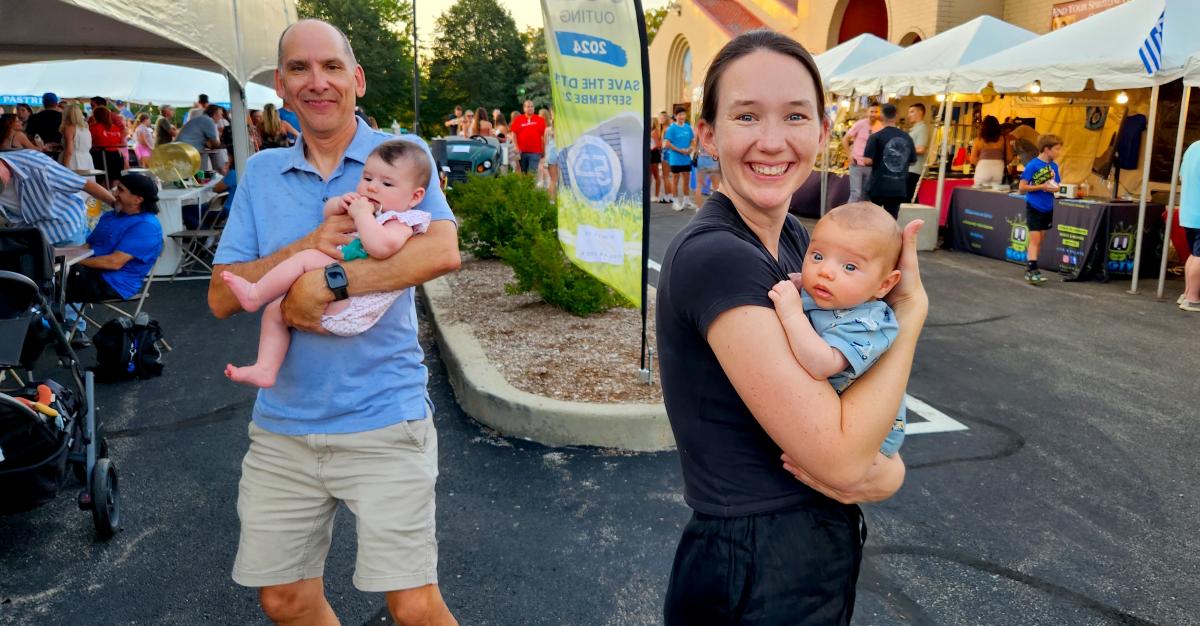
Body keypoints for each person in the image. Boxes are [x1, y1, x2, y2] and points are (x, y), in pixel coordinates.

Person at [656, 29, 924, 625]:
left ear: (824, 132)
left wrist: (888, 472)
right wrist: (908, 316)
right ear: (708, 134)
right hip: (755, 565)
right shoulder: (719, 257)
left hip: (797, 550)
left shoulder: (800, 244)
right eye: (747, 115)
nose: (772, 141)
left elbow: (860, 431)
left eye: (795, 116)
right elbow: (841, 459)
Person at [208, 19, 461, 626]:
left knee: (413, 606)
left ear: (358, 79)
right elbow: (220, 296)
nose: (316, 81)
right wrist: (308, 245)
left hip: (383, 416)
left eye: (331, 66)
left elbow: (440, 251)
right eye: (299, 68)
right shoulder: (262, 173)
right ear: (281, 86)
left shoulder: (398, 159)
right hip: (284, 427)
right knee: (284, 600)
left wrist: (325, 284)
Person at [220, 140, 432, 387]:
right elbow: (328, 213)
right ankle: (265, 369)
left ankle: (255, 293)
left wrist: (362, 215)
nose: (372, 187)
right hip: (339, 293)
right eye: (367, 178)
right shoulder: (369, 209)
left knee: (307, 258)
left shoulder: (402, 221)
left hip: (356, 305)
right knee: (274, 312)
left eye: (386, 184)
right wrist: (339, 204)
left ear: (415, 196)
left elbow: (381, 247)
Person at [767, 202, 907, 457]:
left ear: (884, 284)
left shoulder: (870, 323)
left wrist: (791, 314)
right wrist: (801, 282)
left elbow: (821, 364)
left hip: (869, 440)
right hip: (827, 415)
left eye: (850, 267)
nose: (825, 272)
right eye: (817, 256)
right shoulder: (826, 295)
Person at [64, 174, 163, 339]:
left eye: (121, 190)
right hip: (91, 274)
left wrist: (66, 262)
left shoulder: (146, 226)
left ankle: (60, 329)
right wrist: (56, 254)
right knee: (42, 271)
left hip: (114, 283)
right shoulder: (111, 216)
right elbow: (87, 247)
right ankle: (57, 328)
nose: (114, 193)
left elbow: (114, 263)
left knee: (47, 281)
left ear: (138, 199)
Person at [0, 149, 114, 246]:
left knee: (75, 264)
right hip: (32, 235)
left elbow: (84, 184)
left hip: (67, 228)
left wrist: (116, 205)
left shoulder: (38, 166)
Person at [1018, 134, 1063, 285]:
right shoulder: (1033, 165)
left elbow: (1056, 186)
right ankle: (1032, 270)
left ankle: (1030, 266)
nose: (1059, 152)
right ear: (1046, 149)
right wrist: (1041, 186)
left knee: (1040, 241)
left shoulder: (1054, 166)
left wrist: (1054, 188)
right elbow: (1022, 187)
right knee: (1035, 240)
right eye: (1056, 149)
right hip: (1034, 206)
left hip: (1048, 207)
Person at [863, 103, 916, 219]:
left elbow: (867, 161)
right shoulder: (907, 137)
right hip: (898, 186)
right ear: (896, 116)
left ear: (881, 116)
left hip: (878, 186)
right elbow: (912, 161)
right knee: (891, 220)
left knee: (873, 219)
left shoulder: (875, 136)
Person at [1177, 139, 1200, 312]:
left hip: (1188, 212)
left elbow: (1182, 177)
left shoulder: (1193, 147)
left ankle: (1187, 294)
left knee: (1194, 254)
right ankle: (1192, 298)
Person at [843, 103, 881, 202]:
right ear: (867, 112)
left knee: (866, 195)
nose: (873, 114)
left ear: (879, 113)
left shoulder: (881, 126)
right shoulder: (860, 124)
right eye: (871, 111)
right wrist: (849, 156)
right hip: (856, 164)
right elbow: (845, 139)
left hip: (871, 166)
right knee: (856, 194)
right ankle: (850, 212)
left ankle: (861, 213)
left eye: (876, 112)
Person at [662, 106, 696, 211]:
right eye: (680, 114)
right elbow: (667, 143)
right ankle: (675, 202)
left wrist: (690, 149)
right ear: (676, 116)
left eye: (683, 114)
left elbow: (692, 141)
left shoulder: (688, 127)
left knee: (686, 179)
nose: (682, 116)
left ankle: (686, 201)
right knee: (675, 180)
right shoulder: (672, 128)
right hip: (675, 158)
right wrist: (680, 150)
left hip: (686, 158)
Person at [175, 104, 224, 172]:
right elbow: (215, 143)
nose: (221, 117)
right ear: (214, 114)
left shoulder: (201, 118)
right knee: (202, 166)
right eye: (220, 114)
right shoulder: (208, 121)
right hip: (187, 149)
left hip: (181, 147)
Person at [88, 107, 126, 187]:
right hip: (116, 155)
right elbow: (120, 141)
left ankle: (103, 194)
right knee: (115, 179)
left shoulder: (93, 128)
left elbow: (89, 142)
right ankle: (113, 194)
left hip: (99, 155)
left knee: (100, 179)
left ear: (95, 116)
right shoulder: (115, 128)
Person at [972, 115, 1010, 187]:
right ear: (997, 126)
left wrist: (983, 163)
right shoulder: (1004, 139)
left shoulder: (978, 140)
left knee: (979, 192)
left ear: (983, 127)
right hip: (998, 169)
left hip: (982, 169)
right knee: (995, 192)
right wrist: (1000, 162)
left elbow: (973, 159)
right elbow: (1009, 157)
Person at [511, 100, 546, 174]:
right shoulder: (518, 120)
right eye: (528, 107)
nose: (530, 108)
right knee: (523, 173)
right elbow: (513, 134)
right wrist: (516, 146)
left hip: (535, 151)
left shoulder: (540, 120)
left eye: (532, 106)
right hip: (521, 151)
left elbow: (543, 136)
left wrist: (544, 149)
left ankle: (531, 181)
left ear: (534, 108)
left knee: (532, 173)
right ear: (524, 108)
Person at [59, 104, 94, 173]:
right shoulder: (85, 127)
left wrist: (64, 168)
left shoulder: (69, 128)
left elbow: (69, 151)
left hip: (73, 160)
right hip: (87, 160)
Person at [906, 103, 929, 201]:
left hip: (914, 169)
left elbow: (921, 149)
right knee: (910, 197)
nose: (909, 115)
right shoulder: (914, 129)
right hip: (909, 169)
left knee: (909, 198)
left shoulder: (922, 128)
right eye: (909, 112)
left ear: (920, 112)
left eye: (912, 112)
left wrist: (903, 150)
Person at [693, 144, 720, 208]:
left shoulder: (699, 137)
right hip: (713, 161)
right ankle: (717, 207)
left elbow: (696, 149)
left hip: (702, 161)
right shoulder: (716, 137)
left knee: (699, 186)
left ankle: (698, 208)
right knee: (716, 187)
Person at [541, 108, 558, 202]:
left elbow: (545, 143)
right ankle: (552, 200)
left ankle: (551, 200)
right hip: (558, 153)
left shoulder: (547, 130)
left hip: (550, 155)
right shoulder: (560, 130)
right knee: (556, 179)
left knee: (552, 179)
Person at [649, 116, 664, 202]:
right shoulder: (652, 131)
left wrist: (651, 148)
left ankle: (656, 195)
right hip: (650, 154)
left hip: (653, 154)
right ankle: (649, 194)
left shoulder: (655, 132)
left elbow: (659, 144)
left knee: (656, 175)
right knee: (649, 175)